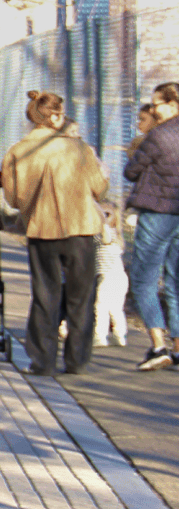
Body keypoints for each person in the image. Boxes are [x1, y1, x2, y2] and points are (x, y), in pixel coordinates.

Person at [0, 90, 108, 376]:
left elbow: (13, 198)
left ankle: (42, 361)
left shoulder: (18, 151)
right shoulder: (79, 149)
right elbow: (99, 188)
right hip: (81, 228)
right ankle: (77, 360)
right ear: (57, 116)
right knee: (81, 297)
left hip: (41, 229)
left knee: (44, 295)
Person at [123, 82, 179, 370]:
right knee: (175, 280)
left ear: (172, 104)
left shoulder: (158, 136)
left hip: (158, 210)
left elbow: (131, 171)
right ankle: (177, 346)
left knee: (143, 279)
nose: (153, 108)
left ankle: (158, 346)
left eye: (157, 103)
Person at [93, 202, 129, 348]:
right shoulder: (115, 236)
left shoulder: (106, 234)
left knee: (101, 306)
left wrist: (102, 221)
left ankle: (100, 336)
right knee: (115, 309)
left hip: (108, 277)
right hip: (118, 277)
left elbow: (106, 238)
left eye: (106, 214)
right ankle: (120, 336)